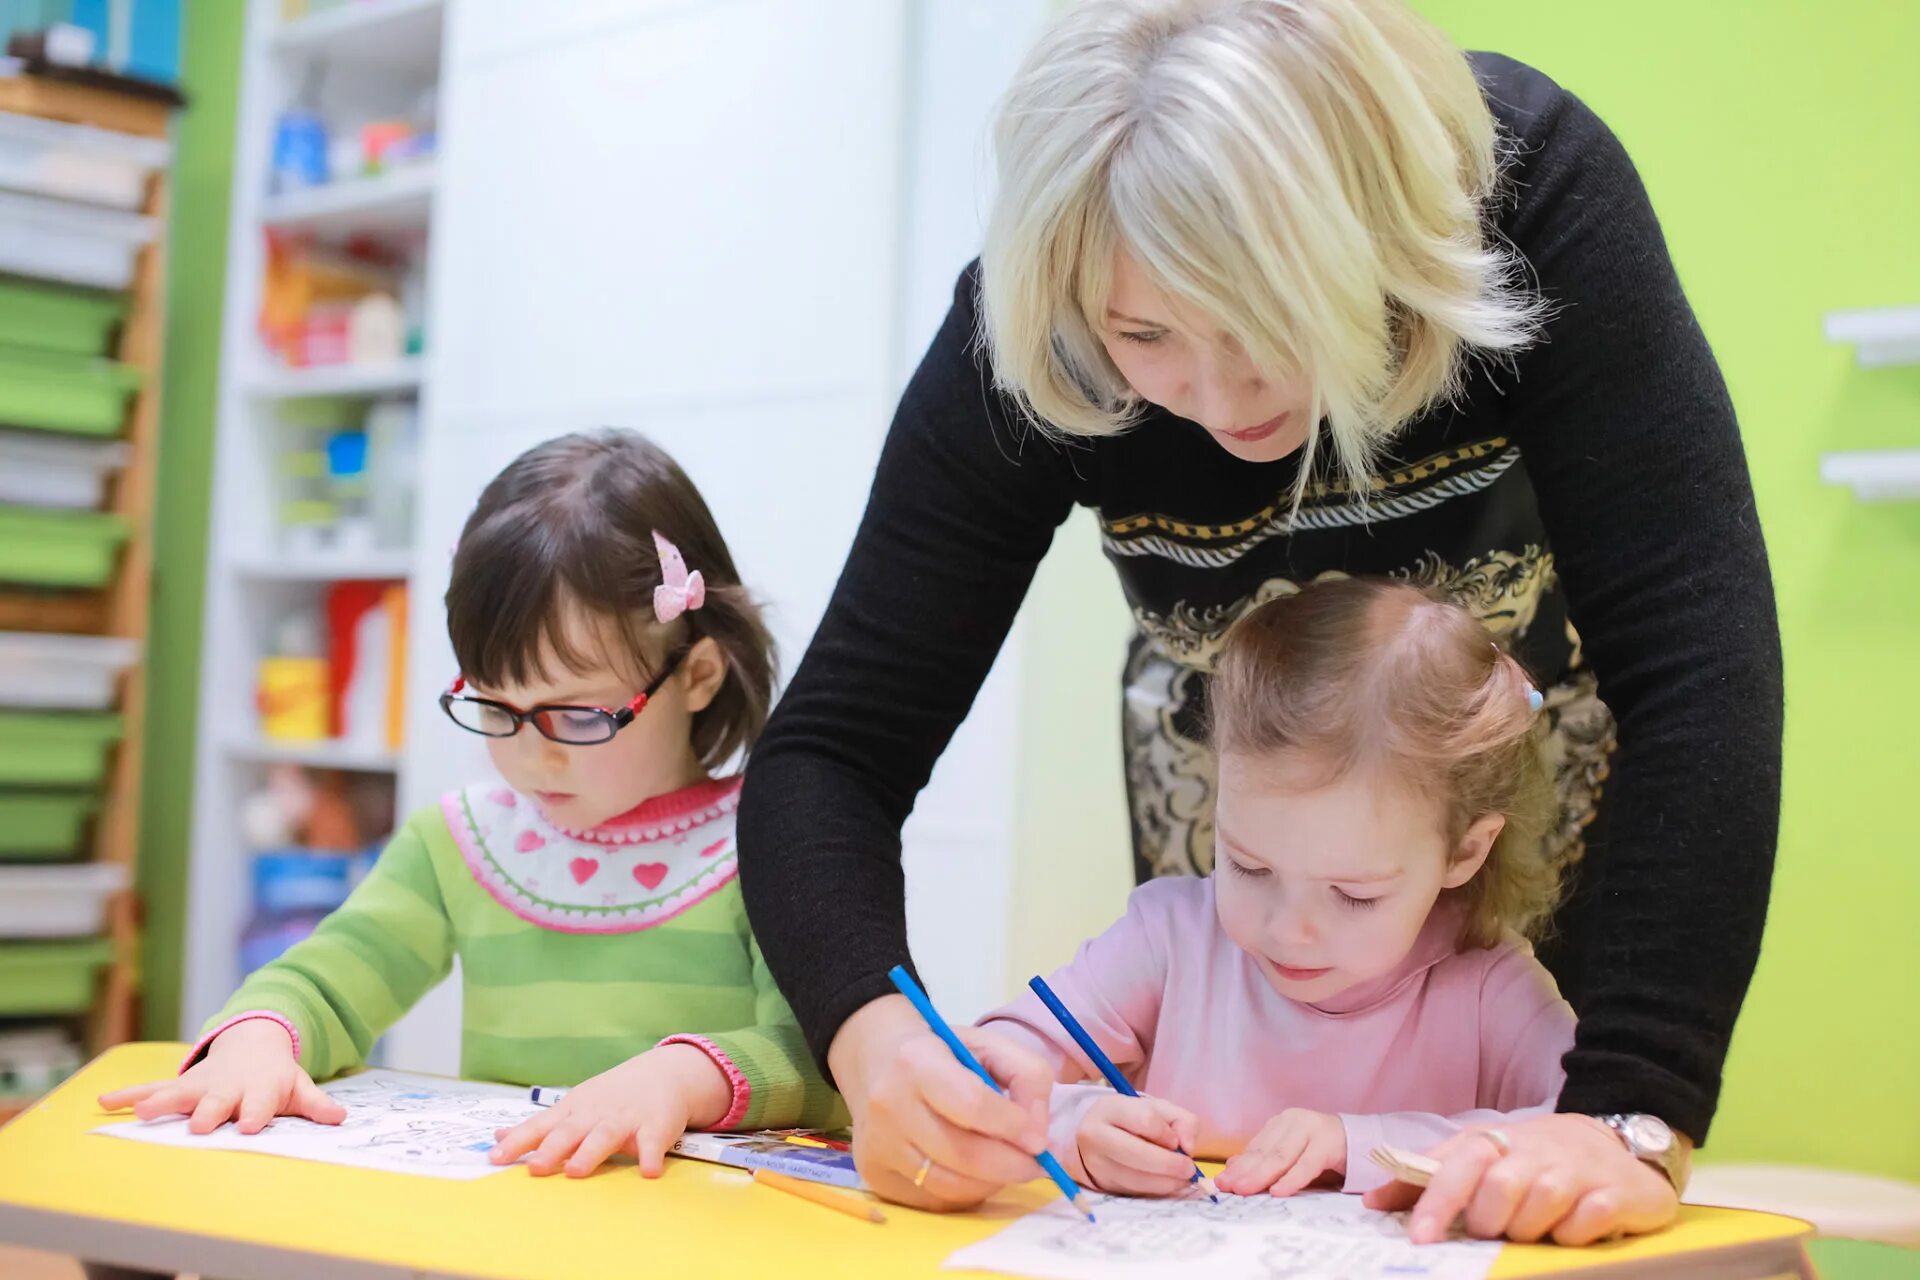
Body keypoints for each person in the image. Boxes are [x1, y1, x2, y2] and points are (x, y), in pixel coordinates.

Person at [737, 0, 1779, 1246]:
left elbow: (1700, 665)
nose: (1218, 396)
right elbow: (834, 749)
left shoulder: (1522, 193)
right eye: (1147, 336)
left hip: (1541, 771)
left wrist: (1630, 1111)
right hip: (1245, 742)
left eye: (1266, 321)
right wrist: (877, 1039)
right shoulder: (1036, 323)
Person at [101, 430, 844, 1182]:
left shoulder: (769, 843)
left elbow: (826, 1062)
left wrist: (681, 1080)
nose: (530, 755)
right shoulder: (460, 841)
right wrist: (258, 1040)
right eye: (496, 709)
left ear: (699, 676)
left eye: (577, 715)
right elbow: (326, 979)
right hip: (503, 1223)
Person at [981, 579, 1574, 1241]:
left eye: (1355, 894)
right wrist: (1073, 1126)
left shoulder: (1489, 988)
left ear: (1464, 853)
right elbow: (984, 1070)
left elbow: (1598, 1128)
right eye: (1248, 865)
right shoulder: (1169, 941)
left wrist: (1360, 1144)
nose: (1289, 931)